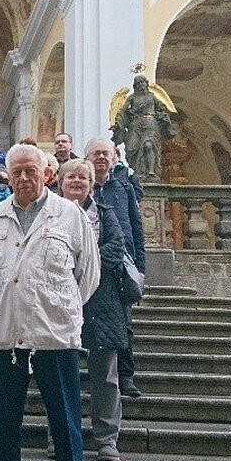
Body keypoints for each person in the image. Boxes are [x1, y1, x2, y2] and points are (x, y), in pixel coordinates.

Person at [0, 144, 99, 461]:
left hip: (54, 336)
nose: (24, 178)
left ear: (47, 173)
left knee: (66, 429)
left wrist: (56, 306)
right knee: (3, 431)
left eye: (31, 170)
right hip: (8, 337)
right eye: (17, 172)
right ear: (7, 175)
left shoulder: (69, 215)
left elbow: (88, 276)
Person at [55, 158, 128, 461]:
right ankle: (59, 436)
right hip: (59, 301)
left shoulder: (105, 214)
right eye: (71, 176)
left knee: (106, 376)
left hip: (102, 304)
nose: (76, 181)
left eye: (82, 177)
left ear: (91, 183)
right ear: (60, 182)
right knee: (59, 374)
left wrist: (83, 262)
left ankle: (106, 438)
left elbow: (117, 248)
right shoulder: (50, 214)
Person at [86, 138, 146, 398]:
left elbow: (136, 225)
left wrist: (140, 266)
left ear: (113, 157)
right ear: (87, 158)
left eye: (105, 154)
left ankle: (126, 375)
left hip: (121, 263)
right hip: (87, 263)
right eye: (95, 153)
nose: (101, 157)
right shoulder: (83, 186)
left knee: (124, 322)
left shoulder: (123, 187)